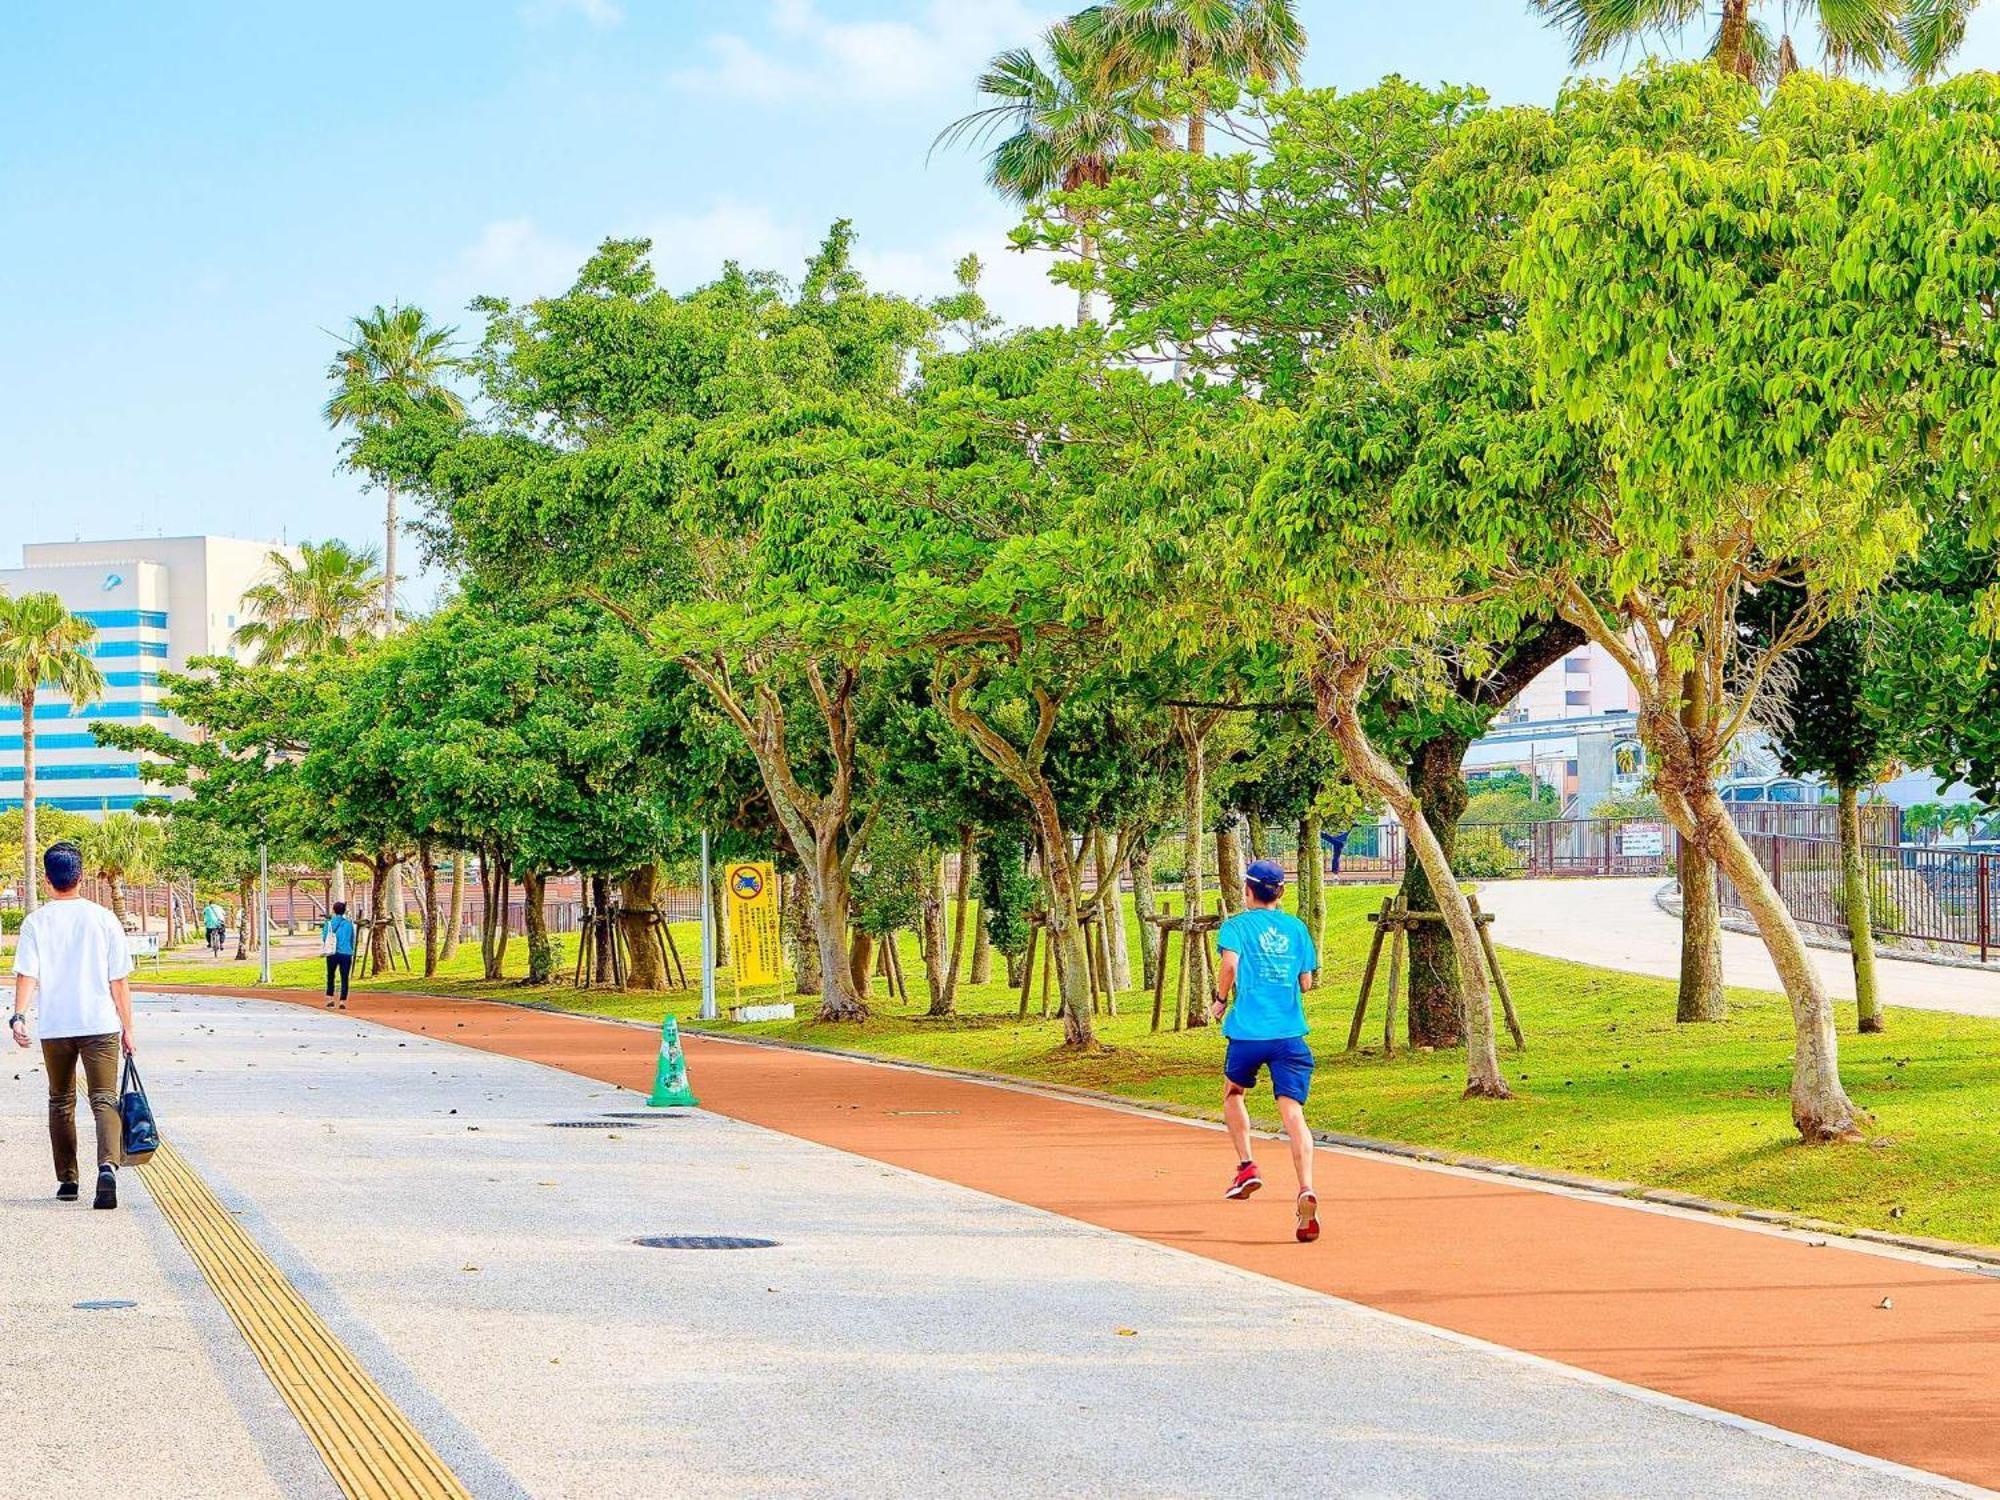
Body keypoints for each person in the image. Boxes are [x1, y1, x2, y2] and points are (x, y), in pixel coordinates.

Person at [9, 841, 135, 1209]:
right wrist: (128, 1027)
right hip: (100, 1023)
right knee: (104, 1099)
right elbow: (119, 982)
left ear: (47, 881)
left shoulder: (36, 921)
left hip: (56, 1026)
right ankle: (108, 1168)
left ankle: (67, 1180)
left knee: (60, 1101)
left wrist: (19, 1016)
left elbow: (27, 974)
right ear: (81, 877)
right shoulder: (104, 918)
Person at [1211, 857, 1321, 1243]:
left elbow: (1229, 966)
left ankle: (1247, 1166)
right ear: (1281, 892)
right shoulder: (1296, 928)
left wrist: (1220, 999)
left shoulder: (1236, 926)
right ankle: (1305, 1186)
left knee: (1233, 1092)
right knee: (1293, 1112)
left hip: (1247, 1033)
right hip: (1290, 1034)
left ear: (1247, 890)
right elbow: (1306, 982)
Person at [321, 900, 356, 1009]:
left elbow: (324, 937)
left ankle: (330, 998)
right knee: (344, 977)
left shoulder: (329, 923)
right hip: (346, 953)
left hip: (332, 952)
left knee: (331, 975)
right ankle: (342, 1001)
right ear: (344, 911)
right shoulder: (349, 924)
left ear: (334, 910)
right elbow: (352, 939)